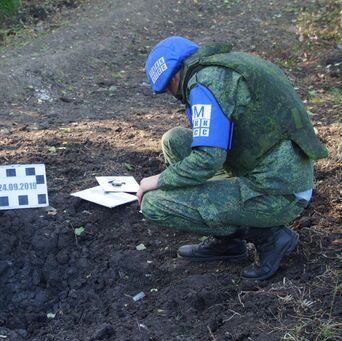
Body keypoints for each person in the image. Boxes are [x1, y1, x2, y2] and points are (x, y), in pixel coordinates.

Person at [137, 36, 328, 280]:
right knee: (175, 140)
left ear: (173, 78)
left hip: (277, 193)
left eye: (167, 90)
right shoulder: (222, 67)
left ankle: (270, 237)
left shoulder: (203, 84)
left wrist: (155, 181)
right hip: (276, 171)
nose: (172, 95)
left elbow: (208, 159)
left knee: (153, 203)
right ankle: (227, 243)